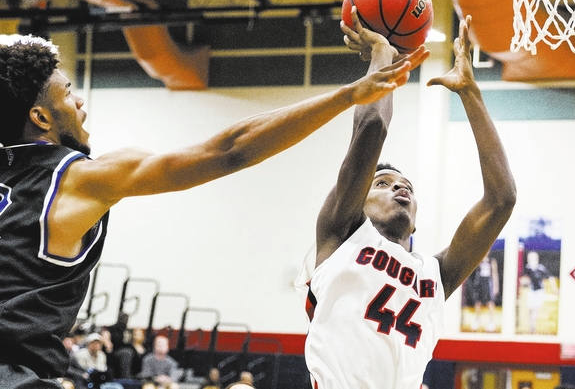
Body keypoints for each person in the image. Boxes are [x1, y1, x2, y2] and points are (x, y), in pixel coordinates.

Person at [0, 33, 428, 388]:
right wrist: (349, 95)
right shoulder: (74, 179)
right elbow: (229, 150)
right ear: (40, 117)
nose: (80, 103)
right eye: (68, 93)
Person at [295, 10, 516, 389]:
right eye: (381, 183)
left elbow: (502, 200)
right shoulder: (341, 236)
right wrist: (381, 53)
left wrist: (470, 92)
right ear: (355, 203)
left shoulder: (435, 274)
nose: (400, 188)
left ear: (416, 223)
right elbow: (372, 127)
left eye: (407, 186)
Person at [519, 250, 557, 333]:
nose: (532, 261)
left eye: (533, 259)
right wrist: (524, 283)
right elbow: (523, 279)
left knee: (536, 308)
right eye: (530, 259)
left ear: (537, 259)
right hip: (531, 291)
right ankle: (530, 324)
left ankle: (533, 325)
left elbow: (550, 277)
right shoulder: (527, 268)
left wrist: (554, 288)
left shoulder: (541, 268)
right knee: (530, 308)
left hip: (539, 291)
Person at [467, 252, 500, 331]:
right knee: (478, 302)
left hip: (488, 283)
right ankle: (477, 320)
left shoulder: (492, 261)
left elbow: (495, 274)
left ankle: (491, 322)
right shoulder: (478, 260)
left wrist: (496, 286)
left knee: (490, 303)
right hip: (479, 282)